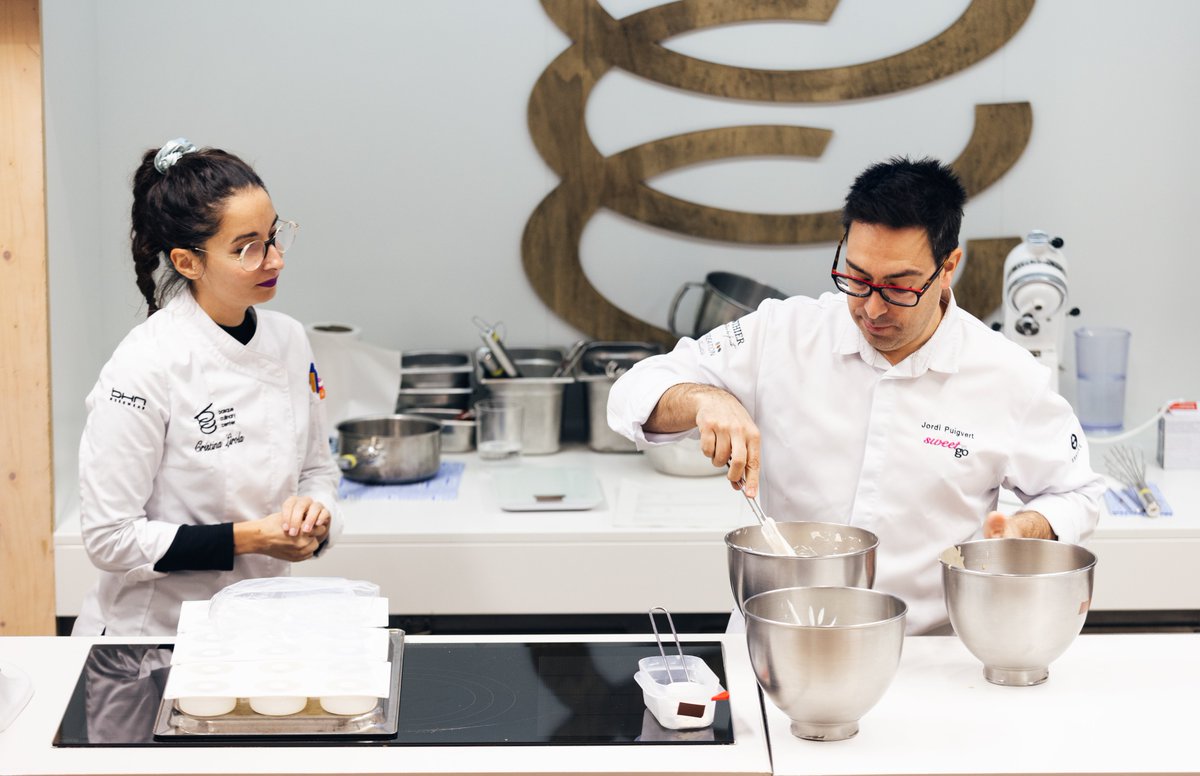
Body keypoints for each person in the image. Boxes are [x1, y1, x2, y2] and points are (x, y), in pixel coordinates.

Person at [607, 156, 1104, 635]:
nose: (871, 307)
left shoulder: (1007, 374)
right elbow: (634, 389)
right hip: (774, 643)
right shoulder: (782, 332)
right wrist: (702, 399)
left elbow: (1079, 493)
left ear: (948, 266)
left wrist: (1027, 529)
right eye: (857, 277)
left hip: (924, 659)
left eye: (898, 287)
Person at [72, 138, 343, 637]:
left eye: (274, 235)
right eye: (247, 248)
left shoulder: (287, 338)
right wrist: (250, 538)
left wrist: (316, 515)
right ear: (187, 261)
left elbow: (316, 469)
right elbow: (109, 539)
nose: (275, 260)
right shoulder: (144, 365)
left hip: (258, 626)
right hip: (153, 640)